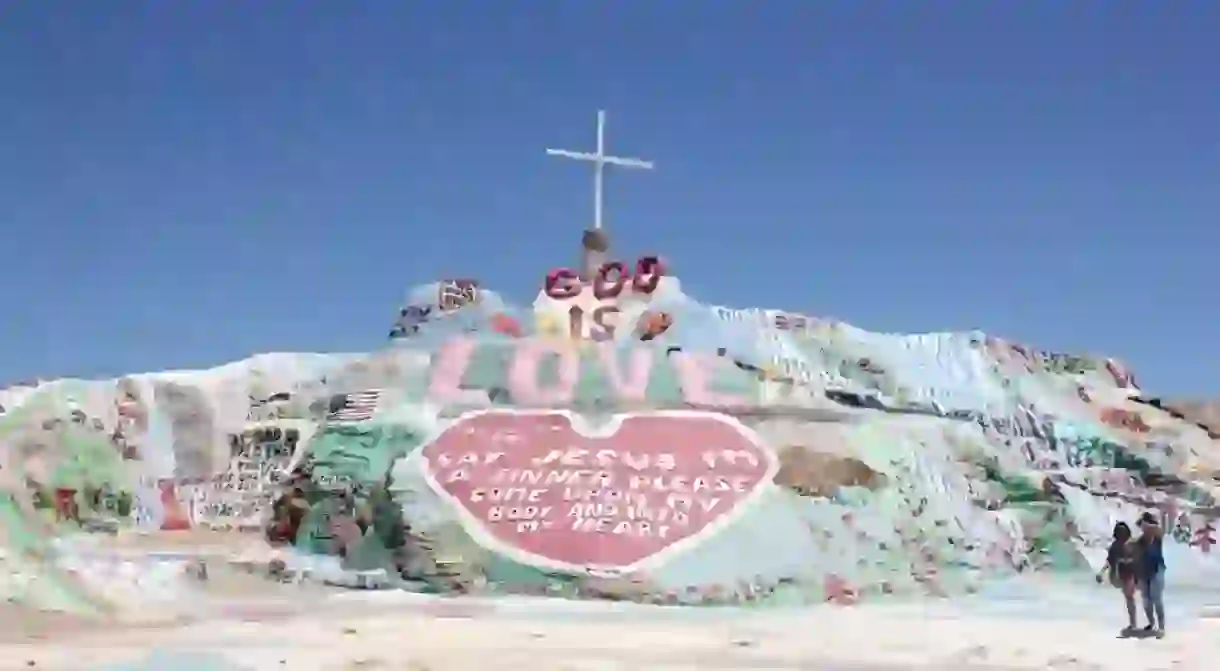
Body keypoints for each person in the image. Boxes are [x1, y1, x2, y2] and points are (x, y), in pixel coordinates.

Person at [1096, 521, 1140, 633]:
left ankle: (1133, 623)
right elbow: (1109, 561)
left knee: (1130, 598)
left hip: (1130, 574)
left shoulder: (1129, 544)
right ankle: (1133, 623)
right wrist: (1101, 573)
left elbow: (1109, 562)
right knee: (1129, 598)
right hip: (1125, 574)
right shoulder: (1119, 545)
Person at [1136, 511, 1166, 637]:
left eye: (1143, 525)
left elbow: (1159, 529)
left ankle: (1161, 627)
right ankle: (1151, 623)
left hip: (1157, 569)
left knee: (1156, 598)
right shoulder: (1141, 540)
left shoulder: (1157, 536)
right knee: (1146, 601)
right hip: (1144, 572)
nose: (1142, 528)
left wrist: (1148, 524)